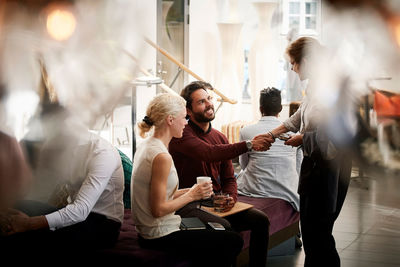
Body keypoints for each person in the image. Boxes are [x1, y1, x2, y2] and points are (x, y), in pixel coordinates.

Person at [254, 37, 352, 267]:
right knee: (311, 233)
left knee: (319, 235)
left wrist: (301, 139)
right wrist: (271, 134)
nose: (291, 67)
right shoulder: (316, 87)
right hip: (314, 169)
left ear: (305, 61)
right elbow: (298, 117)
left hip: (327, 171)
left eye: (293, 63)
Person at [131, 93, 243, 267]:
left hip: (150, 231)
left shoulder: (147, 145)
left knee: (223, 229)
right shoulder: (161, 156)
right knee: (233, 240)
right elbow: (158, 209)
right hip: (159, 235)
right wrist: (192, 196)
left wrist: (191, 191)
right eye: (184, 118)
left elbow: (158, 195)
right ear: (170, 120)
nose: (186, 122)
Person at [168, 81, 273, 267]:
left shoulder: (220, 137)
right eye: (201, 101)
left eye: (209, 98)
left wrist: (230, 199)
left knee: (260, 220)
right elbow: (209, 153)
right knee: (227, 231)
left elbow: (228, 178)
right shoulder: (181, 134)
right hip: (188, 203)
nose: (209, 104)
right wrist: (249, 144)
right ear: (188, 111)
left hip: (214, 202)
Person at [1, 105, 125, 261]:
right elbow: (42, 189)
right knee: (20, 206)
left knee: (30, 235)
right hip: (75, 213)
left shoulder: (102, 153)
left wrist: (28, 223)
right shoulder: (59, 148)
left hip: (104, 224)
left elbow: (81, 210)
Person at [237, 87, 300, 212]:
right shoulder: (295, 134)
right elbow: (298, 166)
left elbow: (243, 165)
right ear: (281, 109)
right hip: (288, 189)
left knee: (238, 176)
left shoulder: (246, 131)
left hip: (254, 188)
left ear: (260, 109)